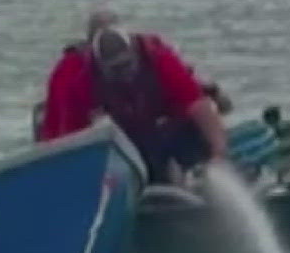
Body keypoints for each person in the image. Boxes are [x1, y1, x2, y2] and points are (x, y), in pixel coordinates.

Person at [36, 15, 233, 188]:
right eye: (115, 70)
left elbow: (197, 105)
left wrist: (219, 153)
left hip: (164, 126)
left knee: (191, 137)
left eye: (126, 65)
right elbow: (70, 135)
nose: (124, 75)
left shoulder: (158, 57)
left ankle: (198, 178)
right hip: (127, 140)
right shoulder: (78, 76)